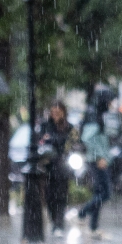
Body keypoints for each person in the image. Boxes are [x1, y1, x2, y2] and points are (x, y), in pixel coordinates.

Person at [38, 101, 79, 236]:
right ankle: (54, 221)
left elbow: (73, 143)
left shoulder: (69, 128)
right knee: (49, 196)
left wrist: (53, 140)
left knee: (61, 195)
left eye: (58, 112)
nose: (55, 115)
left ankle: (58, 224)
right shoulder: (45, 126)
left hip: (62, 166)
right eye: (53, 112)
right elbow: (40, 141)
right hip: (48, 166)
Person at [77, 108, 113, 239]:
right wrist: (99, 156)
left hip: (101, 160)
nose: (112, 104)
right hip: (97, 161)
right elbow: (87, 138)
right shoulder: (95, 117)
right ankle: (81, 214)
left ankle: (93, 227)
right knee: (105, 194)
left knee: (99, 194)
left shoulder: (101, 116)